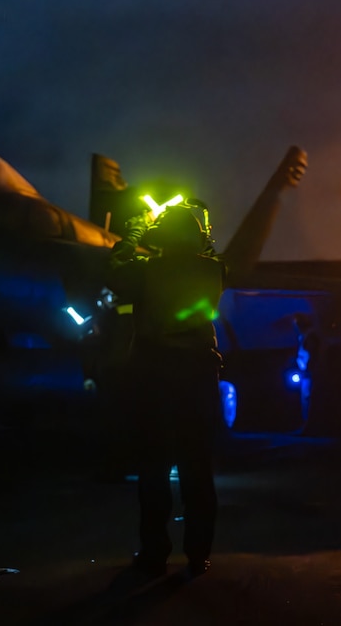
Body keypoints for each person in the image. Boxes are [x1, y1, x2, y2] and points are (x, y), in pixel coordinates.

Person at [107, 203, 225, 578]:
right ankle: (198, 553)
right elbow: (210, 251)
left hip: (155, 378)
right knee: (198, 470)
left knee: (154, 469)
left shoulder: (146, 271)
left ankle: (156, 552)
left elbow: (113, 270)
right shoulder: (214, 269)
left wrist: (135, 235)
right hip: (198, 379)